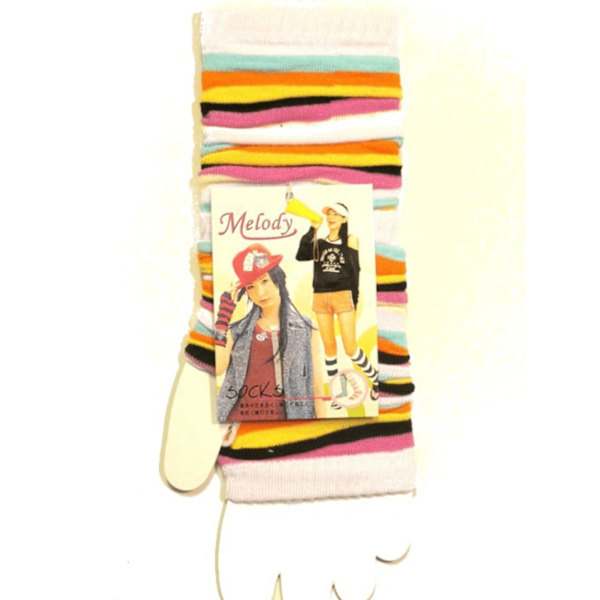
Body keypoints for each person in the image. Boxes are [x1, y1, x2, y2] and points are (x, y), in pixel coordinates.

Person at [215, 243, 323, 421]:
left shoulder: (307, 328)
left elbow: (317, 386)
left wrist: (321, 427)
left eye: (264, 281)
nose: (260, 292)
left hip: (290, 424)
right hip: (240, 422)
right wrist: (223, 317)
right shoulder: (236, 331)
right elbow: (218, 368)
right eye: (250, 287)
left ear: (277, 279)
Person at [296, 202, 378, 403]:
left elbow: (355, 271)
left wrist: (354, 299)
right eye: (329, 214)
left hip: (343, 296)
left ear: (344, 218)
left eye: (336, 214)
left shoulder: (351, 240)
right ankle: (338, 392)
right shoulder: (320, 243)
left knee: (350, 348)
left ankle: (376, 378)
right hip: (320, 297)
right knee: (329, 347)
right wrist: (312, 229)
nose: (331, 217)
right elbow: (301, 255)